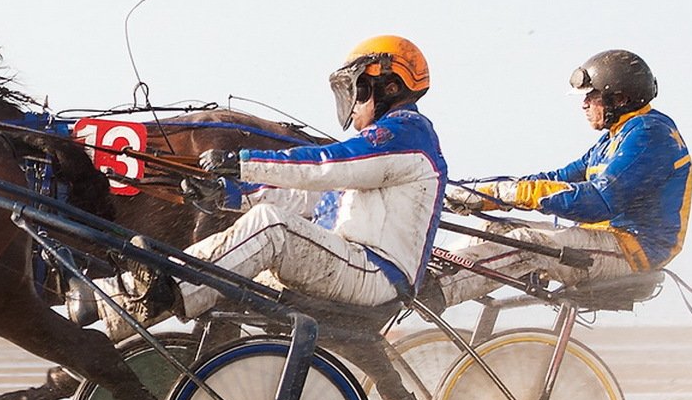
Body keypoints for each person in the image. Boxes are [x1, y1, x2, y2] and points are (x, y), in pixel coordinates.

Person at [101, 35, 447, 326]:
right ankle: (109, 305)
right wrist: (228, 195)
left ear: (389, 86)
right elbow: (306, 197)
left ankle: (169, 287)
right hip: (353, 265)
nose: (352, 104)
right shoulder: (380, 153)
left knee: (272, 228)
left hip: (376, 274)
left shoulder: (405, 134)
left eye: (357, 90)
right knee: (233, 268)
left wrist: (242, 164)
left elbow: (324, 165)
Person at [441, 49, 691, 305]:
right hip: (604, 240)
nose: (584, 104)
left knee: (527, 244)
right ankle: (432, 276)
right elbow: (559, 178)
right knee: (494, 229)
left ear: (619, 99)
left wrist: (512, 194)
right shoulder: (616, 137)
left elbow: (598, 202)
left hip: (631, 250)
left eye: (592, 96)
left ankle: (436, 292)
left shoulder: (649, 135)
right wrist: (479, 193)